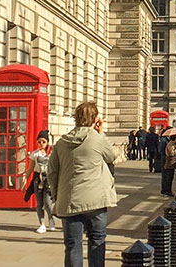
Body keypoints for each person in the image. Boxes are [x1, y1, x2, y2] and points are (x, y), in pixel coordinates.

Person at [47, 101, 117, 267]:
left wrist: (57, 195)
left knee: (72, 244)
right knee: (97, 240)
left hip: (69, 199)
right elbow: (112, 156)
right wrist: (100, 133)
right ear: (95, 119)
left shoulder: (61, 142)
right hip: (96, 201)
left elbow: (52, 172)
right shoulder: (97, 139)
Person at [22, 130, 56, 233]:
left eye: (43, 142)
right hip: (38, 179)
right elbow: (30, 168)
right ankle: (42, 224)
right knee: (39, 203)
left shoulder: (52, 153)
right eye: (39, 142)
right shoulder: (35, 154)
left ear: (47, 142)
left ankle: (51, 219)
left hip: (48, 179)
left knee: (47, 203)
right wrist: (25, 180)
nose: (41, 144)